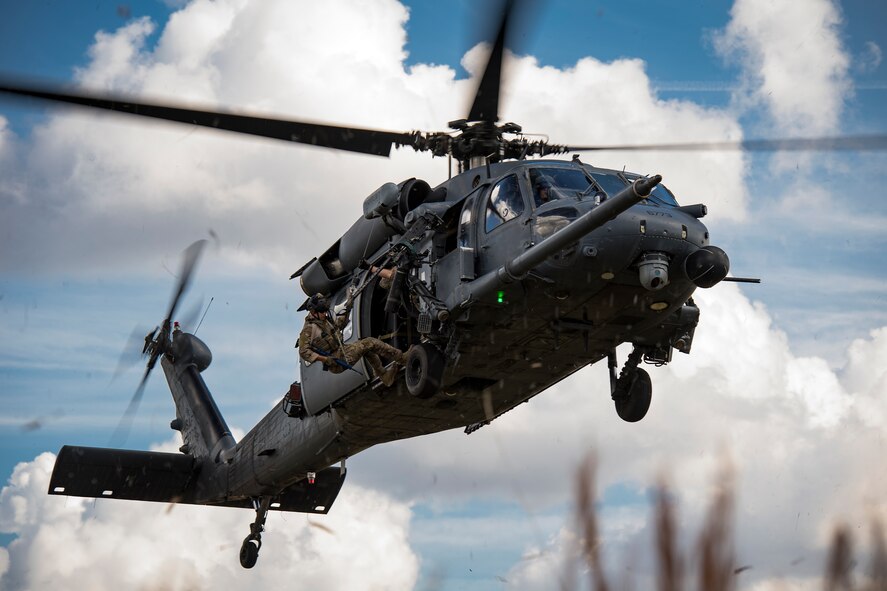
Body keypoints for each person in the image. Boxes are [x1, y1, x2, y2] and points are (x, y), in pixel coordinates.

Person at [298, 293, 406, 387]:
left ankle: (384, 375)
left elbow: (339, 326)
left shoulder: (324, 320)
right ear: (313, 312)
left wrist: (348, 309)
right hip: (338, 361)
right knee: (370, 342)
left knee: (366, 349)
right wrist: (325, 359)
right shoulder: (309, 329)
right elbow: (303, 352)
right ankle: (402, 358)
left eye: (325, 311)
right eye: (322, 312)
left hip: (343, 352)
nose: (325, 314)